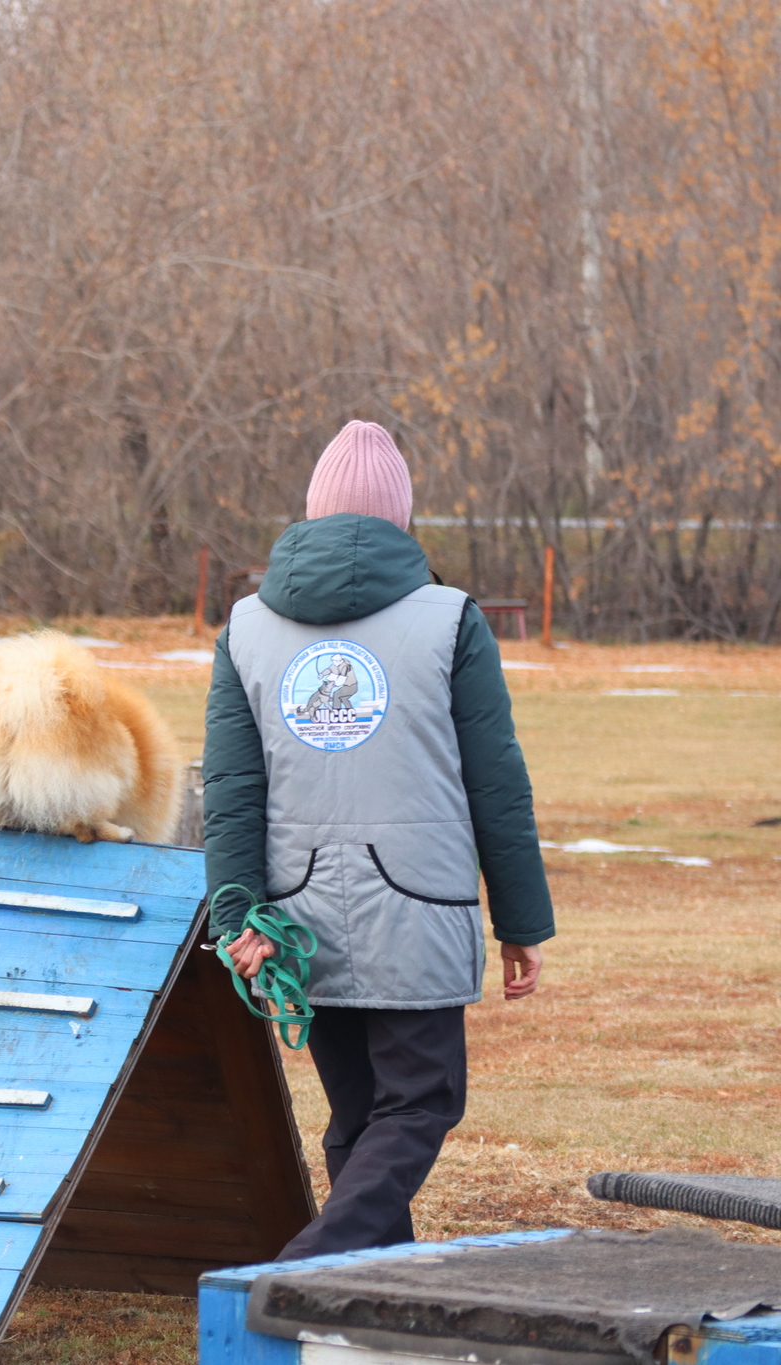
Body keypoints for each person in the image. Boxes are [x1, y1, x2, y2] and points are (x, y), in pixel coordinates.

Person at [201, 419, 554, 1258]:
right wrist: (521, 922)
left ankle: (358, 1308)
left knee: (362, 1119)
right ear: (400, 518)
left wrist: (236, 915)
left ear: (315, 512)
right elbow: (495, 782)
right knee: (421, 1103)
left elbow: (230, 792)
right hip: (418, 910)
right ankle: (296, 1274)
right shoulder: (452, 619)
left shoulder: (244, 627)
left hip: (296, 914)